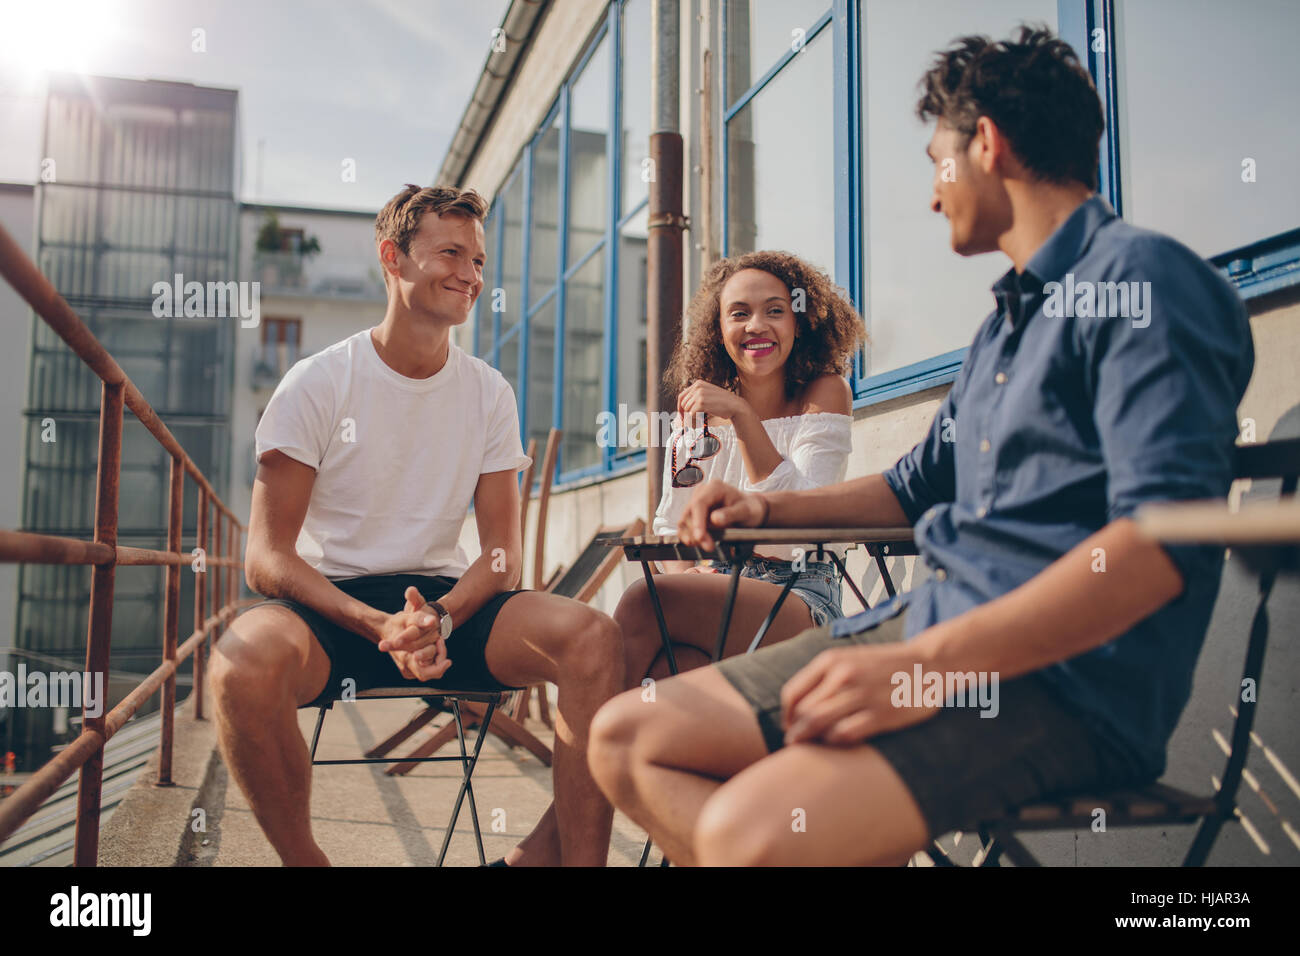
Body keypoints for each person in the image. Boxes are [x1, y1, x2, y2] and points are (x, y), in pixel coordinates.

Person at [587, 26, 1255, 866]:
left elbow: (1156, 547)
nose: (933, 196)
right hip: (917, 631)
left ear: (988, 143)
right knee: (625, 739)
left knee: (743, 835)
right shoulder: (1004, 328)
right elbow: (908, 489)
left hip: (1056, 685)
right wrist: (765, 506)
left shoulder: (1144, 286)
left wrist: (922, 670)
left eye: (939, 163)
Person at [211, 184, 623, 867]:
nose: (470, 273)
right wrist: (378, 625)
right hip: (332, 609)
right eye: (451, 253)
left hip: (444, 606)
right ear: (392, 260)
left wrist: (440, 617)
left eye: (479, 260)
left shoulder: (489, 391)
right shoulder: (316, 383)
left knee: (592, 637)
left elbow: (500, 556)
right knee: (241, 662)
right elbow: (266, 558)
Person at [615, 251, 865, 689]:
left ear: (799, 322)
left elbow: (802, 524)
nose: (756, 326)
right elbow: (669, 526)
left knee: (643, 602)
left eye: (775, 311)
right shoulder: (699, 415)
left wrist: (743, 418)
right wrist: (687, 574)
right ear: (719, 329)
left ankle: (594, 751)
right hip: (717, 589)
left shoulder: (824, 393)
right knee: (671, 672)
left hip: (801, 594)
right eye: (739, 313)